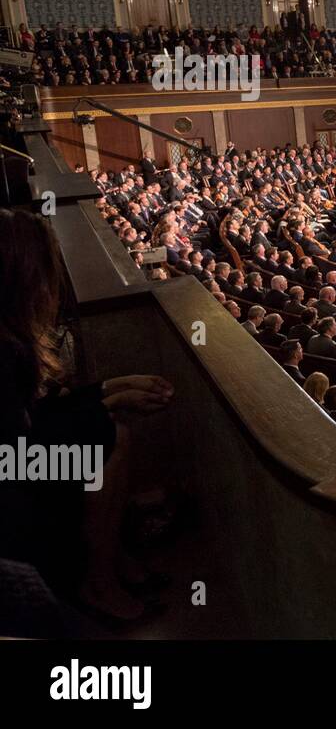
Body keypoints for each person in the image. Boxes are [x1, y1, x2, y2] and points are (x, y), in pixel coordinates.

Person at [0, 209, 175, 626]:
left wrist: (107, 391)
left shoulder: (10, 340)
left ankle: (111, 558)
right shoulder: (4, 354)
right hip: (12, 478)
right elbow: (17, 451)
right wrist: (100, 407)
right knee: (104, 436)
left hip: (18, 458)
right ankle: (97, 581)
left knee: (108, 427)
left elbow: (34, 416)